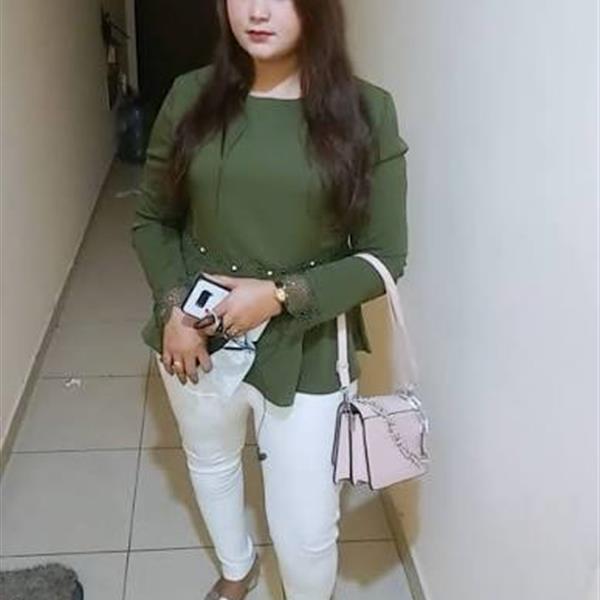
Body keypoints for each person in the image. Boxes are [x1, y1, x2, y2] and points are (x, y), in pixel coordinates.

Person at [130, 0, 409, 598]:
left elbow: (385, 258)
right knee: (211, 459)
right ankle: (237, 570)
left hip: (309, 343)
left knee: (307, 529)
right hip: (196, 332)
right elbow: (152, 220)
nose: (257, 11)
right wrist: (173, 308)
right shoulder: (190, 96)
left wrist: (282, 295)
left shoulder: (367, 111)